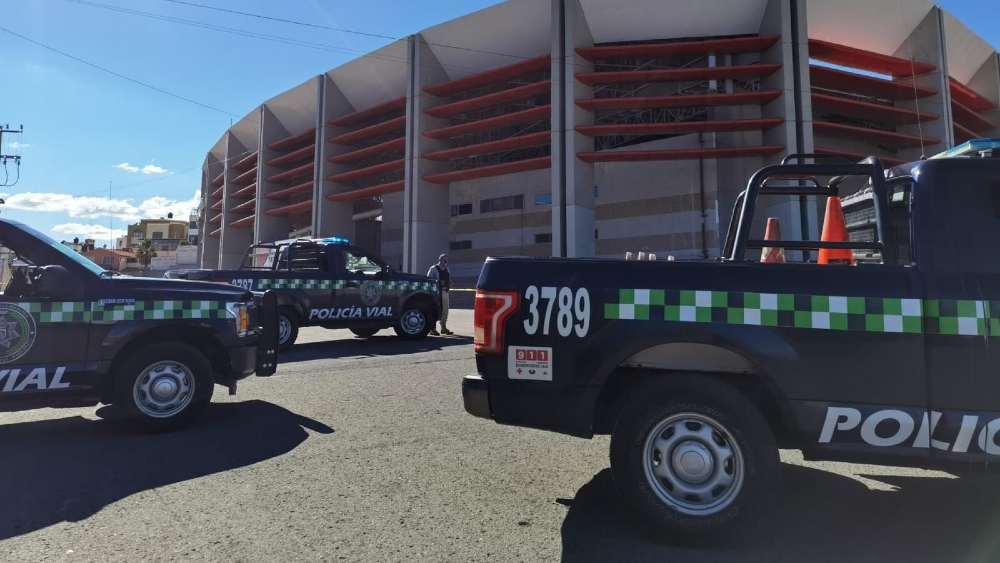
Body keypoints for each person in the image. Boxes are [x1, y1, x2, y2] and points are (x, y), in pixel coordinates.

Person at [426, 254, 452, 335]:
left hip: (445, 292)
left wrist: (449, 282)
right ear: (440, 259)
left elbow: (448, 278)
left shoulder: (447, 269)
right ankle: (433, 329)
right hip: (437, 292)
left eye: (446, 259)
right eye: (444, 259)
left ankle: (443, 327)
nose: (445, 261)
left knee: (445, 310)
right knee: (436, 309)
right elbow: (429, 279)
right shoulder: (434, 268)